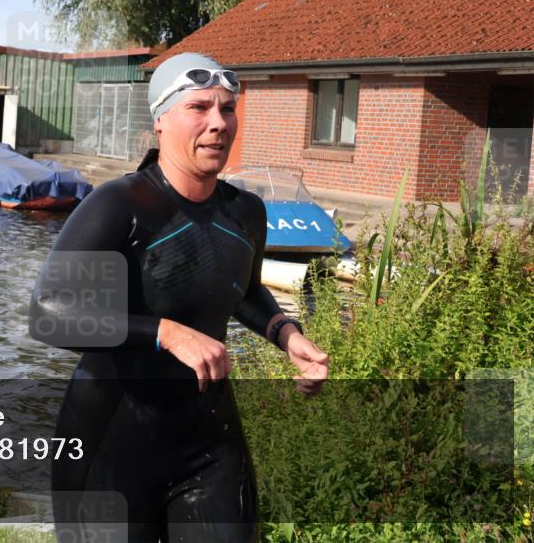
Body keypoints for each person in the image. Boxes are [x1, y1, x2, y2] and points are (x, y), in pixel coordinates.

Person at [29, 53, 330, 542]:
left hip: (208, 441)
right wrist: (166, 334)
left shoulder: (245, 212)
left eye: (227, 109)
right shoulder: (118, 206)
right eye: (199, 108)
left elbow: (244, 290)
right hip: (111, 439)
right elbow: (49, 313)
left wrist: (286, 333)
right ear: (160, 123)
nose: (218, 123)